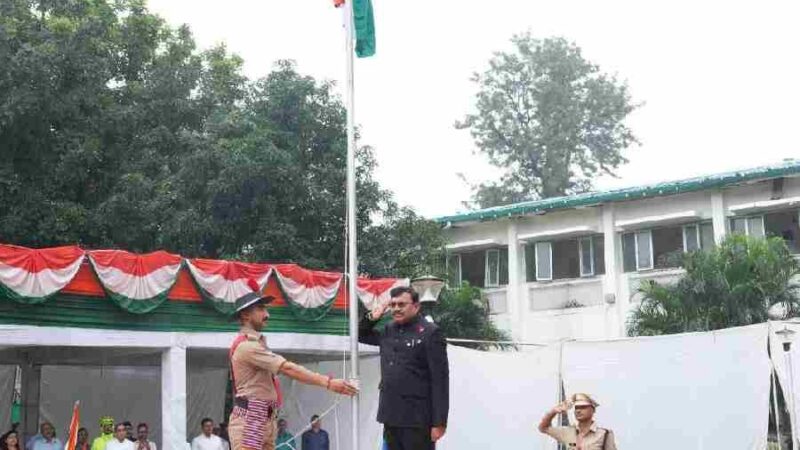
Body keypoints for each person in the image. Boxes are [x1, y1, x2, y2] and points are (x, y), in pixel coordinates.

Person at [227, 280, 358, 450]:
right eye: (260, 309)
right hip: (253, 417)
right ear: (245, 315)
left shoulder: (254, 344)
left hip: (262, 416)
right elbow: (287, 368)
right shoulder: (248, 346)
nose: (267, 314)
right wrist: (328, 382)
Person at [359, 286, 450, 450]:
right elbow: (361, 334)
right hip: (391, 414)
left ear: (416, 306)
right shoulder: (388, 330)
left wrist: (439, 422)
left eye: (401, 304)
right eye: (393, 305)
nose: (396, 309)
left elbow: (440, 380)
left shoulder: (430, 332)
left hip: (418, 419)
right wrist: (374, 315)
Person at [538, 393, 617, 450]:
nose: (578, 411)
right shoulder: (568, 432)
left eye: (583, 407)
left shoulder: (604, 434)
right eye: (577, 408)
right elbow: (543, 428)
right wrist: (554, 411)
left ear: (592, 410)